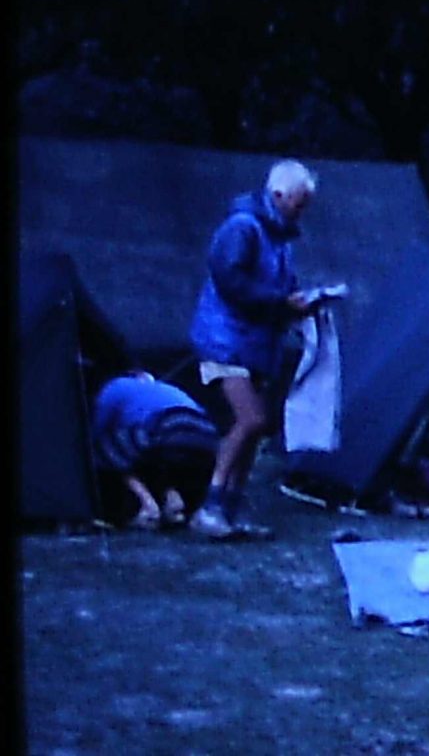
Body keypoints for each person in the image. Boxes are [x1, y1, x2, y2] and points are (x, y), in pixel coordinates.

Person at [189, 158, 328, 539]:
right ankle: (210, 505)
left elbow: (279, 287)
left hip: (254, 343)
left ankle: (231, 507)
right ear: (279, 194)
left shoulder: (279, 238)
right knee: (251, 419)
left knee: (257, 426)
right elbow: (231, 281)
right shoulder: (242, 228)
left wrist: (302, 302)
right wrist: (282, 303)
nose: (302, 210)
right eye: (299, 201)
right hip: (223, 340)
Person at [91, 372, 219, 530]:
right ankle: (174, 502)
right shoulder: (166, 388)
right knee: (159, 458)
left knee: (107, 451)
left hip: (170, 425)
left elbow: (97, 430)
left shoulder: (117, 385)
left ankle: (148, 506)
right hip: (207, 434)